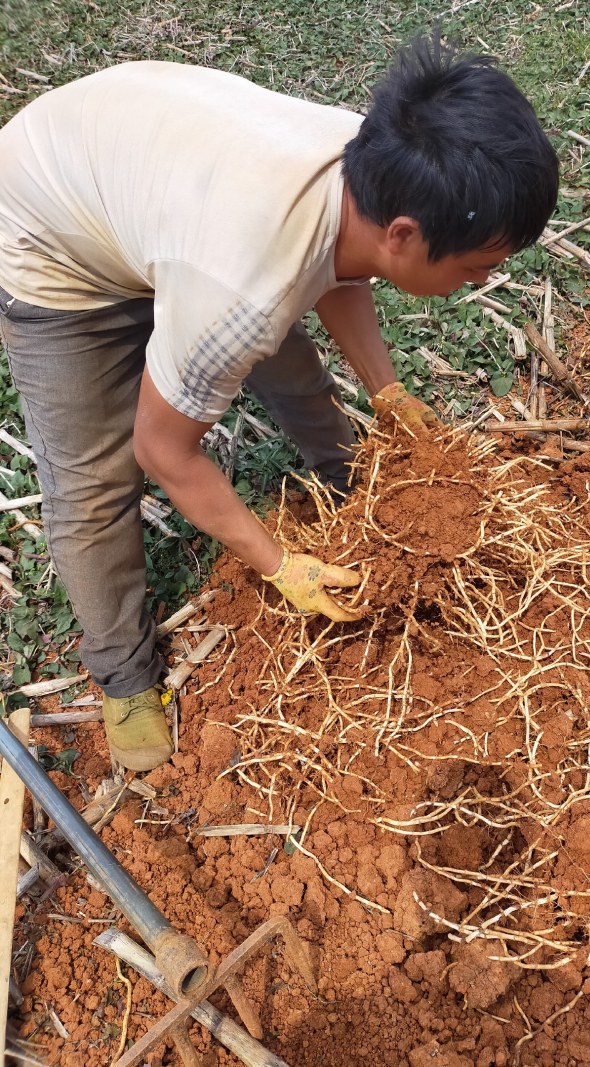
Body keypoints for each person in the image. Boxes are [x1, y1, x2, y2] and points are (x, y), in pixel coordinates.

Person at [0, 33, 559, 771]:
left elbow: (341, 271)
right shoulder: (242, 291)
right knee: (91, 480)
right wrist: (278, 564)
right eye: (478, 265)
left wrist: (384, 390)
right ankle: (123, 673)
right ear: (404, 234)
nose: (485, 282)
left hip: (147, 169)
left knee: (281, 351)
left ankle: (346, 475)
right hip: (47, 230)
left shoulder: (364, 165)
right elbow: (162, 450)